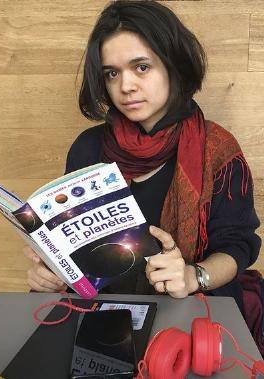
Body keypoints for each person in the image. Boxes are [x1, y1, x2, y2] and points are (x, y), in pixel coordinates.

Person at [25, 0, 260, 313]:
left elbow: (238, 245)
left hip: (193, 312)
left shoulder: (217, 149)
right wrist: (49, 271)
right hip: (102, 313)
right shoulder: (88, 148)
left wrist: (193, 277)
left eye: (142, 67)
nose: (125, 86)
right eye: (111, 73)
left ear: (173, 65)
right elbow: (73, 248)